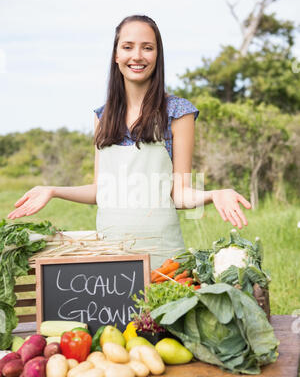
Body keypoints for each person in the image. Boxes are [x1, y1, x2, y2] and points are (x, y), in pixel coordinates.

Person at [7, 14, 251, 270]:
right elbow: (103, 191)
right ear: (116, 55)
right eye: (128, 47)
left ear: (158, 55)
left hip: (163, 262)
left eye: (147, 48)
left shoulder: (178, 112)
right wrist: (53, 190)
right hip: (110, 257)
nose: (137, 56)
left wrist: (215, 194)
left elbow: (179, 194)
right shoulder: (103, 116)